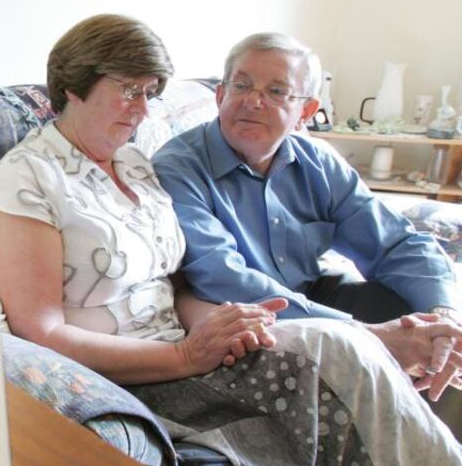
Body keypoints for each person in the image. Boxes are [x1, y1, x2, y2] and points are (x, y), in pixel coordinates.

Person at [0, 14, 462, 466]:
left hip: (203, 342)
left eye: (150, 93)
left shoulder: (133, 164)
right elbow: (40, 329)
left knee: (374, 344)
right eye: (129, 90)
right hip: (150, 366)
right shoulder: (29, 175)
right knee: (342, 344)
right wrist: (188, 356)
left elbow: (174, 286)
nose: (142, 111)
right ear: (74, 85)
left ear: (304, 108)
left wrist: (222, 325)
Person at [151, 32, 462, 401]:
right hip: (244, 321)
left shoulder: (320, 162)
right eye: (242, 85)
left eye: (277, 91)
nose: (253, 101)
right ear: (221, 95)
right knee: (396, 346)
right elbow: (221, 276)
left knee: (433, 336)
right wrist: (365, 335)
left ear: (306, 113)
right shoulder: (178, 168)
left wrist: (443, 315)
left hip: (315, 291)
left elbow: (396, 243)